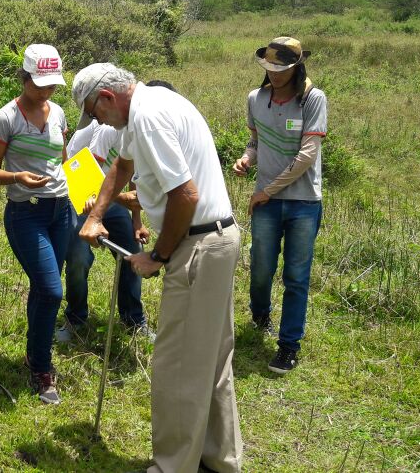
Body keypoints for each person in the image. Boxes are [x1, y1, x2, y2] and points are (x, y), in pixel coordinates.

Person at [75, 63, 242, 473]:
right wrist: (96, 215)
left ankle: (172, 467)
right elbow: (122, 167)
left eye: (96, 113)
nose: (100, 122)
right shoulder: (148, 106)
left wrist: (158, 257)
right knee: (210, 360)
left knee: (178, 365)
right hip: (216, 240)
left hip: (198, 246)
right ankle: (218, 459)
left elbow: (185, 195)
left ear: (108, 97)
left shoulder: (147, 116)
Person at [0, 43, 74, 405]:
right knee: (51, 290)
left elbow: (64, 160)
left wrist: (85, 194)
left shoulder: (59, 113)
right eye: (40, 83)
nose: (46, 90)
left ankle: (34, 355)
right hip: (27, 212)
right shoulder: (5, 118)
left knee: (44, 288)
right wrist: (17, 177)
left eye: (52, 84)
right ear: (24, 78)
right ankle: (41, 367)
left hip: (62, 210)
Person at [232, 37, 326, 374]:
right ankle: (260, 316)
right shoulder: (256, 99)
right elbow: (256, 141)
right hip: (267, 202)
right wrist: (246, 158)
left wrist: (267, 191)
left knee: (296, 276)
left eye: (281, 68)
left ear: (297, 67)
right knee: (261, 268)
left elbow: (307, 155)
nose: (274, 74)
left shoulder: (313, 99)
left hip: (303, 202)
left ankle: (288, 346)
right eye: (269, 67)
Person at [58, 113, 150, 342]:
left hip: (108, 196)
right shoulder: (111, 128)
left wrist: (136, 221)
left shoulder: (145, 133)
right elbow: (86, 173)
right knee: (78, 257)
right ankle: (75, 319)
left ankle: (133, 320)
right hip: (78, 193)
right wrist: (118, 200)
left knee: (132, 252)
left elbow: (134, 177)